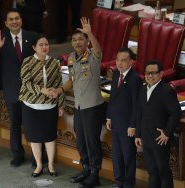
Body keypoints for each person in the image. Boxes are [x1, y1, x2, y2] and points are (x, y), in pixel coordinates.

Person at [52, 17, 104, 188]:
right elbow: (72, 80)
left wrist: (90, 32)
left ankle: (95, 174)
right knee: (81, 141)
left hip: (92, 107)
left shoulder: (93, 56)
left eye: (81, 39)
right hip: (79, 107)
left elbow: (98, 48)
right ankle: (86, 169)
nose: (77, 42)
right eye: (74, 40)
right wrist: (59, 90)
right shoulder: (72, 58)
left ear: (87, 41)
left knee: (92, 141)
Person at [0, 8, 39, 167]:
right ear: (6, 23)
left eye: (16, 18)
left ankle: (37, 157)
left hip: (31, 90)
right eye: (10, 19)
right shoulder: (1, 39)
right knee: (15, 125)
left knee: (32, 125)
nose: (14, 21)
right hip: (11, 90)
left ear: (21, 20)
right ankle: (17, 154)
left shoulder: (32, 37)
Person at [19, 35, 64, 178]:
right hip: (30, 105)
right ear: (34, 47)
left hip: (49, 106)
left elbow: (59, 84)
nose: (44, 47)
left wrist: (60, 104)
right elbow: (26, 82)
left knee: (50, 137)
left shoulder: (55, 63)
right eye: (41, 45)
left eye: (46, 44)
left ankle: (50, 164)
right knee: (34, 137)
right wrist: (42, 90)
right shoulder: (27, 61)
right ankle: (38, 165)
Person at [135, 60, 182, 188]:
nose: (150, 76)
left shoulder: (167, 91)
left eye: (153, 73)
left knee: (163, 171)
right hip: (145, 137)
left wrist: (167, 132)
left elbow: (176, 113)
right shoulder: (143, 88)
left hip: (160, 138)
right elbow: (139, 112)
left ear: (161, 74)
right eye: (147, 73)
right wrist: (138, 134)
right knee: (151, 170)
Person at [106, 48, 143, 188]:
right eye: (118, 60)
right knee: (117, 155)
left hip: (128, 126)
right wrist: (109, 117)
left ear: (131, 62)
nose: (120, 63)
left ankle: (128, 183)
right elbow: (112, 97)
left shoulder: (135, 79)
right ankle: (119, 181)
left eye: (123, 60)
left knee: (128, 156)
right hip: (115, 122)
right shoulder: (116, 74)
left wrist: (133, 125)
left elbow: (136, 106)